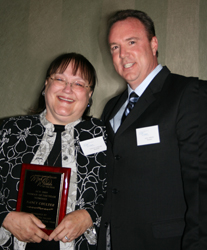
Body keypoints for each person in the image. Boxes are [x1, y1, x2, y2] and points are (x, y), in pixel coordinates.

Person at [97, 9, 207, 250]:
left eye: (131, 42)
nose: (122, 54)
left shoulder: (188, 93)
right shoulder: (111, 108)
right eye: (114, 47)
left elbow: (201, 185)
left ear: (154, 43)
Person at [0, 52, 107, 250]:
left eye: (79, 83)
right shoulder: (8, 131)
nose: (68, 89)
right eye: (59, 79)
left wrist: (90, 215)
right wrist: (4, 217)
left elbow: (124, 194)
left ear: (89, 94)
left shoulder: (105, 136)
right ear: (45, 85)